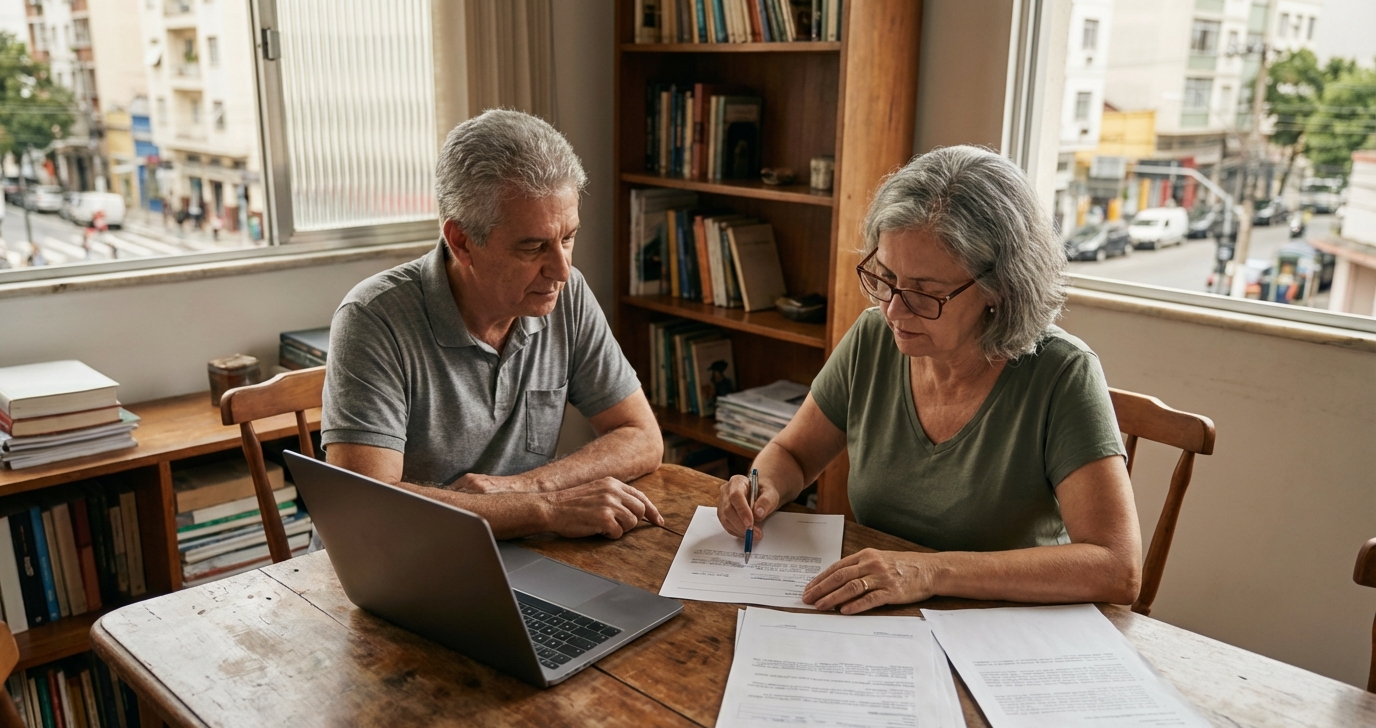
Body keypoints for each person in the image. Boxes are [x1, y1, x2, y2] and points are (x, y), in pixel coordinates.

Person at [716, 146, 1142, 613]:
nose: (894, 311)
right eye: (886, 276)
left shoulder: (1063, 374)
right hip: (884, 617)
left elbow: (1116, 567)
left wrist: (928, 570)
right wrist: (762, 488)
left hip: (1001, 633)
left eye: (925, 292)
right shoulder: (872, 338)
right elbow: (793, 454)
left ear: (999, 286)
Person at [323, 109, 664, 541]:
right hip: (398, 561)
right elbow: (366, 502)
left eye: (568, 237)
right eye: (534, 246)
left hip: (516, 553)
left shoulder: (567, 294)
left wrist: (529, 488)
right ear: (462, 242)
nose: (561, 269)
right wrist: (543, 510)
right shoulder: (373, 318)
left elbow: (642, 436)